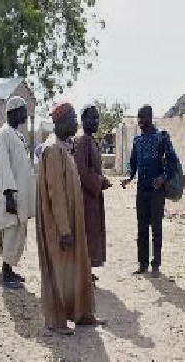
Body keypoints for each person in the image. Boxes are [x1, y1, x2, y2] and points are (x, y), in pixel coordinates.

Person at [36, 103, 104, 335]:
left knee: (78, 267)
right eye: (73, 119)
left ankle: (82, 314)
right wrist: (64, 230)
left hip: (72, 221)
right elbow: (56, 194)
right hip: (59, 225)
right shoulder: (53, 150)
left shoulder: (65, 147)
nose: (77, 124)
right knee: (60, 271)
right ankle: (56, 321)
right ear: (61, 121)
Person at [121, 105, 178, 277]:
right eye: (138, 118)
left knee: (156, 229)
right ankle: (142, 263)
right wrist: (129, 177)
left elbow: (172, 163)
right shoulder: (137, 140)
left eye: (142, 117)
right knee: (141, 228)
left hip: (156, 192)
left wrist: (163, 178)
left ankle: (156, 264)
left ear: (150, 117)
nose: (139, 121)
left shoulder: (161, 137)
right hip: (141, 190)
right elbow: (133, 162)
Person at [0, 96, 36, 289]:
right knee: (11, 232)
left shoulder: (16, 134)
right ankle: (5, 275)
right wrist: (9, 195)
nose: (26, 115)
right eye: (23, 110)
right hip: (11, 196)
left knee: (18, 232)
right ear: (13, 112)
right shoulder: (4, 134)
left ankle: (10, 270)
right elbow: (4, 167)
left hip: (21, 195)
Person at [73, 105, 111, 278]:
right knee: (86, 232)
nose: (95, 121)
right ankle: (82, 271)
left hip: (92, 196)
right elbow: (82, 171)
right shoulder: (82, 140)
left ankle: (86, 269)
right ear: (83, 119)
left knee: (92, 232)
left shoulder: (89, 139)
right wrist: (99, 182)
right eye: (92, 118)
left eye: (97, 118)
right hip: (85, 196)